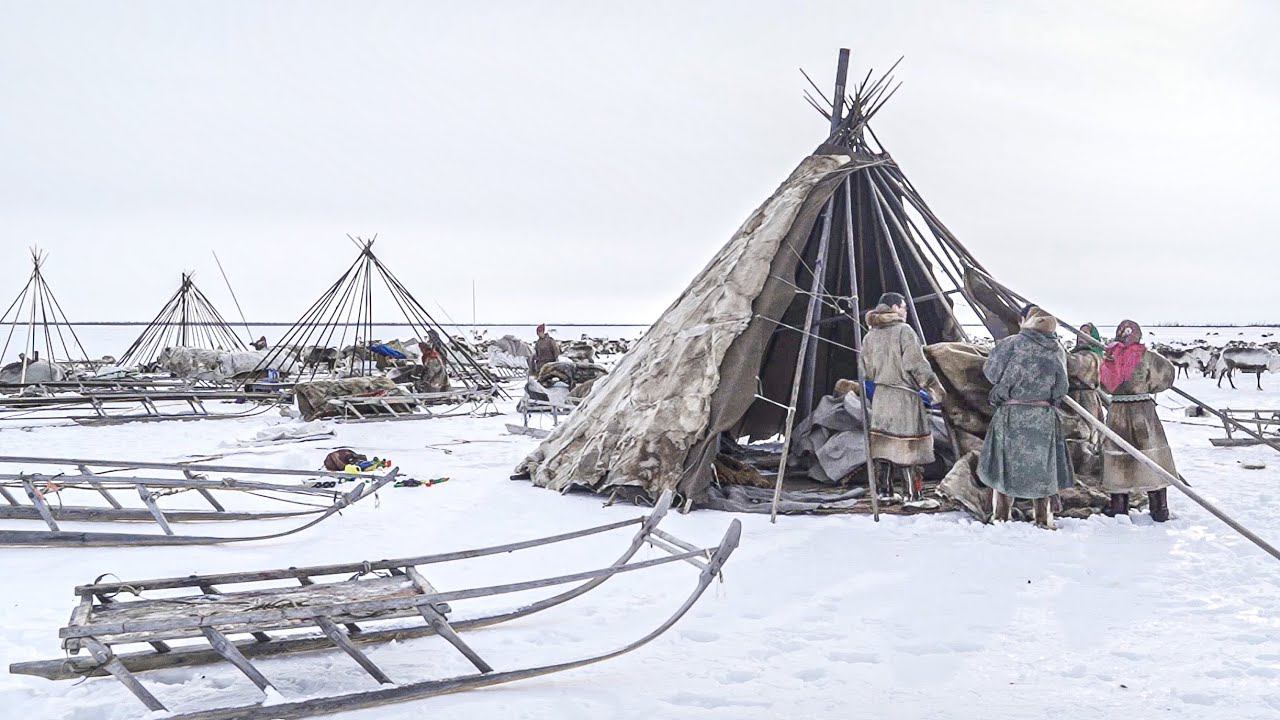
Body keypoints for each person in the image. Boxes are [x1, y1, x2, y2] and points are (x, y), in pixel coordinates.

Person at [978, 306, 1073, 529]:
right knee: (1043, 467)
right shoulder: (1057, 349)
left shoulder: (1011, 344)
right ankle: (1043, 518)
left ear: (1024, 320)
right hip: (1042, 417)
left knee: (1005, 464)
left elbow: (990, 372)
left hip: (1011, 415)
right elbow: (1062, 386)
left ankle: (1001, 515)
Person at [860, 292, 945, 500]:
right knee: (908, 445)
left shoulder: (869, 336)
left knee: (884, 445)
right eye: (904, 307)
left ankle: (884, 492)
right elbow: (916, 364)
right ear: (894, 308)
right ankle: (912, 495)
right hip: (903, 397)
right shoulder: (904, 331)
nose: (905, 311)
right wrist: (933, 387)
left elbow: (865, 371)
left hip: (881, 397)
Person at [1099, 320, 1176, 521]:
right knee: (1151, 456)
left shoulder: (1110, 357)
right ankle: (1159, 508)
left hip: (1118, 412)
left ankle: (1119, 506)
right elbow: (1166, 376)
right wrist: (1148, 387)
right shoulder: (1148, 357)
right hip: (1143, 413)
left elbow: (1103, 383)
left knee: (1119, 457)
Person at [1065, 322, 1106, 474]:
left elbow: (1074, 365)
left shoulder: (1093, 357)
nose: (1082, 337)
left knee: (1086, 433)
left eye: (1086, 334)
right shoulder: (1074, 354)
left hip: (1086, 399)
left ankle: (1086, 468)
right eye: (1080, 333)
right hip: (1070, 398)